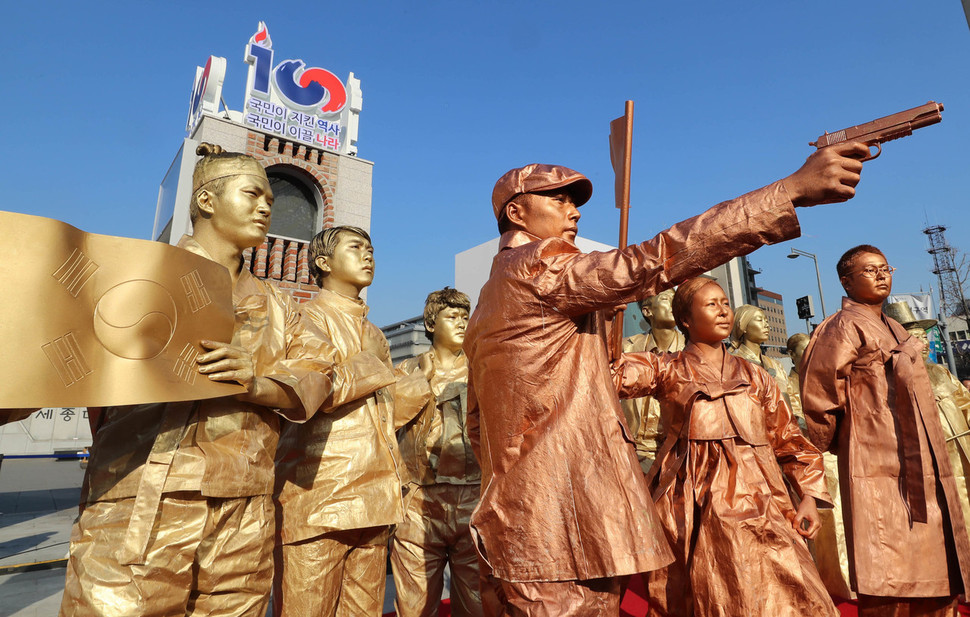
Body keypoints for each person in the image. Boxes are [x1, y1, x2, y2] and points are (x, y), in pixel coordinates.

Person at [463, 141, 867, 615]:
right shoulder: (540, 267)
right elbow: (655, 258)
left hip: (532, 515)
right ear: (517, 211)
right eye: (558, 200)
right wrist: (789, 191)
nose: (573, 212)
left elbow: (478, 423)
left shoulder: (489, 297)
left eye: (575, 201)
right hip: (563, 519)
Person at [59, 143, 339, 617]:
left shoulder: (280, 307)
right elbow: (59, 361)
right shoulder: (134, 275)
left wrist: (257, 384)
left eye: (270, 198)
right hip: (139, 500)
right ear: (206, 201)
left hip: (244, 509)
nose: (266, 207)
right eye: (252, 194)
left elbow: (318, 375)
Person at [612, 277, 836, 616]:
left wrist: (807, 496)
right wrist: (603, 325)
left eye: (726, 303)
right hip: (693, 501)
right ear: (685, 319)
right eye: (711, 304)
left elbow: (789, 439)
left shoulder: (756, 376)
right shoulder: (667, 368)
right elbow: (611, 377)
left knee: (793, 594)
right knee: (711, 595)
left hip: (766, 500)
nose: (723, 311)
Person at [800, 245, 970, 615]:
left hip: (923, 462)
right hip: (874, 464)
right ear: (845, 281)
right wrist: (840, 445)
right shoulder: (840, 328)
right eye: (868, 270)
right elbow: (820, 400)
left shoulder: (895, 328)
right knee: (889, 578)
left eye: (885, 268)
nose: (881, 275)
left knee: (938, 571)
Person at [273, 225, 431, 617]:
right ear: (323, 263)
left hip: (375, 498)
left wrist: (417, 385)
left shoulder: (372, 332)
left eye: (371, 248)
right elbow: (312, 393)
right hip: (320, 499)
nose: (368, 256)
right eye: (356, 247)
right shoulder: (305, 318)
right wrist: (371, 362)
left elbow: (382, 414)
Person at [392, 287, 492, 617]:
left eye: (465, 317)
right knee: (414, 605)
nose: (462, 323)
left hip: (472, 498)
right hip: (420, 502)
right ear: (432, 323)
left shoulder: (484, 371)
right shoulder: (407, 370)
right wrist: (423, 378)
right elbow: (389, 420)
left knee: (476, 602)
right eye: (452, 317)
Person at [884, 301, 970, 542]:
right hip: (930, 457)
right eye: (916, 338)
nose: (924, 344)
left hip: (962, 450)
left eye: (925, 337)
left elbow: (965, 403)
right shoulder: (895, 380)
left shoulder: (941, 373)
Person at [788, 332, 853, 599]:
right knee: (821, 516)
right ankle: (827, 578)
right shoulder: (787, 383)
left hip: (833, 453)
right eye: (803, 351)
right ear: (792, 355)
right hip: (805, 456)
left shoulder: (823, 378)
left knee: (843, 513)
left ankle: (849, 576)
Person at [621, 289, 685, 472]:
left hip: (677, 453)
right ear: (647, 311)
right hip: (634, 452)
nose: (673, 304)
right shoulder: (627, 349)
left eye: (675, 300)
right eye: (666, 299)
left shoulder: (691, 350)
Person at [729, 304, 795, 422]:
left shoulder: (776, 365)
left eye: (766, 320)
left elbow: (792, 400)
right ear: (743, 326)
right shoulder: (733, 364)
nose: (767, 325)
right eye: (760, 320)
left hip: (783, 430)